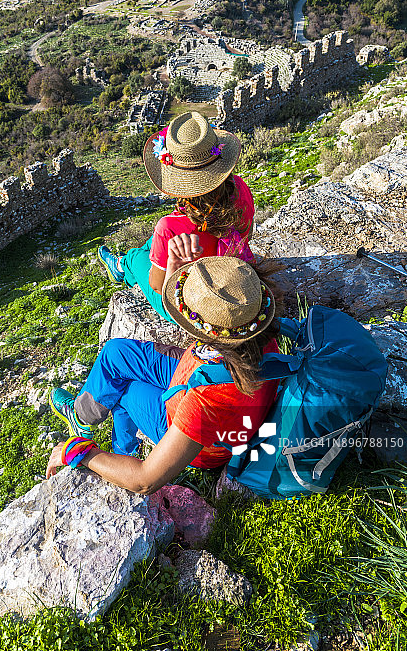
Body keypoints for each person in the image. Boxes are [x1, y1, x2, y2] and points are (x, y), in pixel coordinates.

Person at [46, 239, 281, 494]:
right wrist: (173, 274)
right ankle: (82, 417)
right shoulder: (253, 327)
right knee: (115, 353)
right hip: (201, 369)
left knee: (124, 391)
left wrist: (75, 452)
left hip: (196, 434)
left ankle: (122, 455)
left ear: (208, 330)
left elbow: (145, 480)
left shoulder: (207, 402)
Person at [97, 112, 255, 323]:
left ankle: (121, 266)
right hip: (232, 278)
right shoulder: (241, 188)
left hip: (191, 307)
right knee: (154, 242)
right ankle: (134, 259)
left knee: (136, 257)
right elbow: (248, 232)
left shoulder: (169, 226)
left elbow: (157, 284)